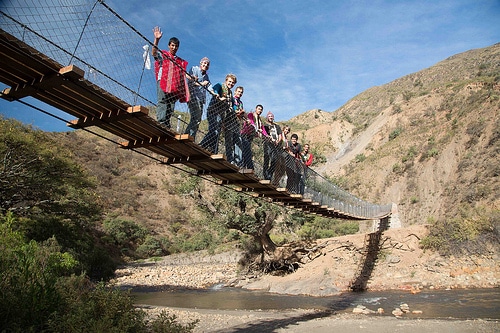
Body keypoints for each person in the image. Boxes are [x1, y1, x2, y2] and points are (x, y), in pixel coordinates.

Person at [152, 26, 189, 129]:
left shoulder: (179, 61)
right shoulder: (164, 54)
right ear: (169, 45)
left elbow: (183, 73)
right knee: (163, 101)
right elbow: (154, 53)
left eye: (176, 46)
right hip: (163, 81)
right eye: (172, 45)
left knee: (171, 105)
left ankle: (166, 124)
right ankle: (161, 123)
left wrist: (191, 78)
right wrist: (157, 39)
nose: (174, 48)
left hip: (174, 85)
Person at [199, 74, 236, 154]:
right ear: (226, 80)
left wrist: (236, 110)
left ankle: (213, 150)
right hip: (213, 111)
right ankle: (202, 145)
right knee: (213, 130)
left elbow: (233, 104)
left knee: (217, 133)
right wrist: (217, 94)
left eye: (233, 83)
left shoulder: (230, 94)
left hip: (221, 115)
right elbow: (215, 89)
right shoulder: (220, 85)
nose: (231, 84)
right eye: (230, 81)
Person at [185, 57, 212, 139]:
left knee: (197, 118)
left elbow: (209, 86)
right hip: (193, 96)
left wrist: (213, 93)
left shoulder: (206, 76)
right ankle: (188, 135)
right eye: (204, 63)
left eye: (207, 64)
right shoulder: (194, 69)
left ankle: (190, 135)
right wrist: (196, 80)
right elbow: (187, 75)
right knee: (196, 117)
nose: (205, 65)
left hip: (201, 99)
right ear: (201, 63)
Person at [240, 104, 266, 170]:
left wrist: (267, 135)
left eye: (261, 110)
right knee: (247, 151)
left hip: (250, 136)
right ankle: (249, 167)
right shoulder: (251, 115)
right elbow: (251, 122)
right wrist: (257, 128)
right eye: (259, 109)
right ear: (256, 109)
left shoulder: (259, 120)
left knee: (246, 150)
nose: (260, 111)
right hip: (245, 134)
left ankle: (244, 166)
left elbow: (263, 129)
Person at [263, 111, 282, 180]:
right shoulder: (265, 126)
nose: (270, 117)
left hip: (275, 145)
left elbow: (280, 135)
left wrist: (278, 141)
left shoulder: (277, 126)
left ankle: (269, 173)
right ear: (267, 117)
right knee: (266, 159)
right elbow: (264, 133)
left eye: (271, 116)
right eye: (269, 116)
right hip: (268, 143)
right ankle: (265, 175)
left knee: (274, 160)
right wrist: (269, 138)